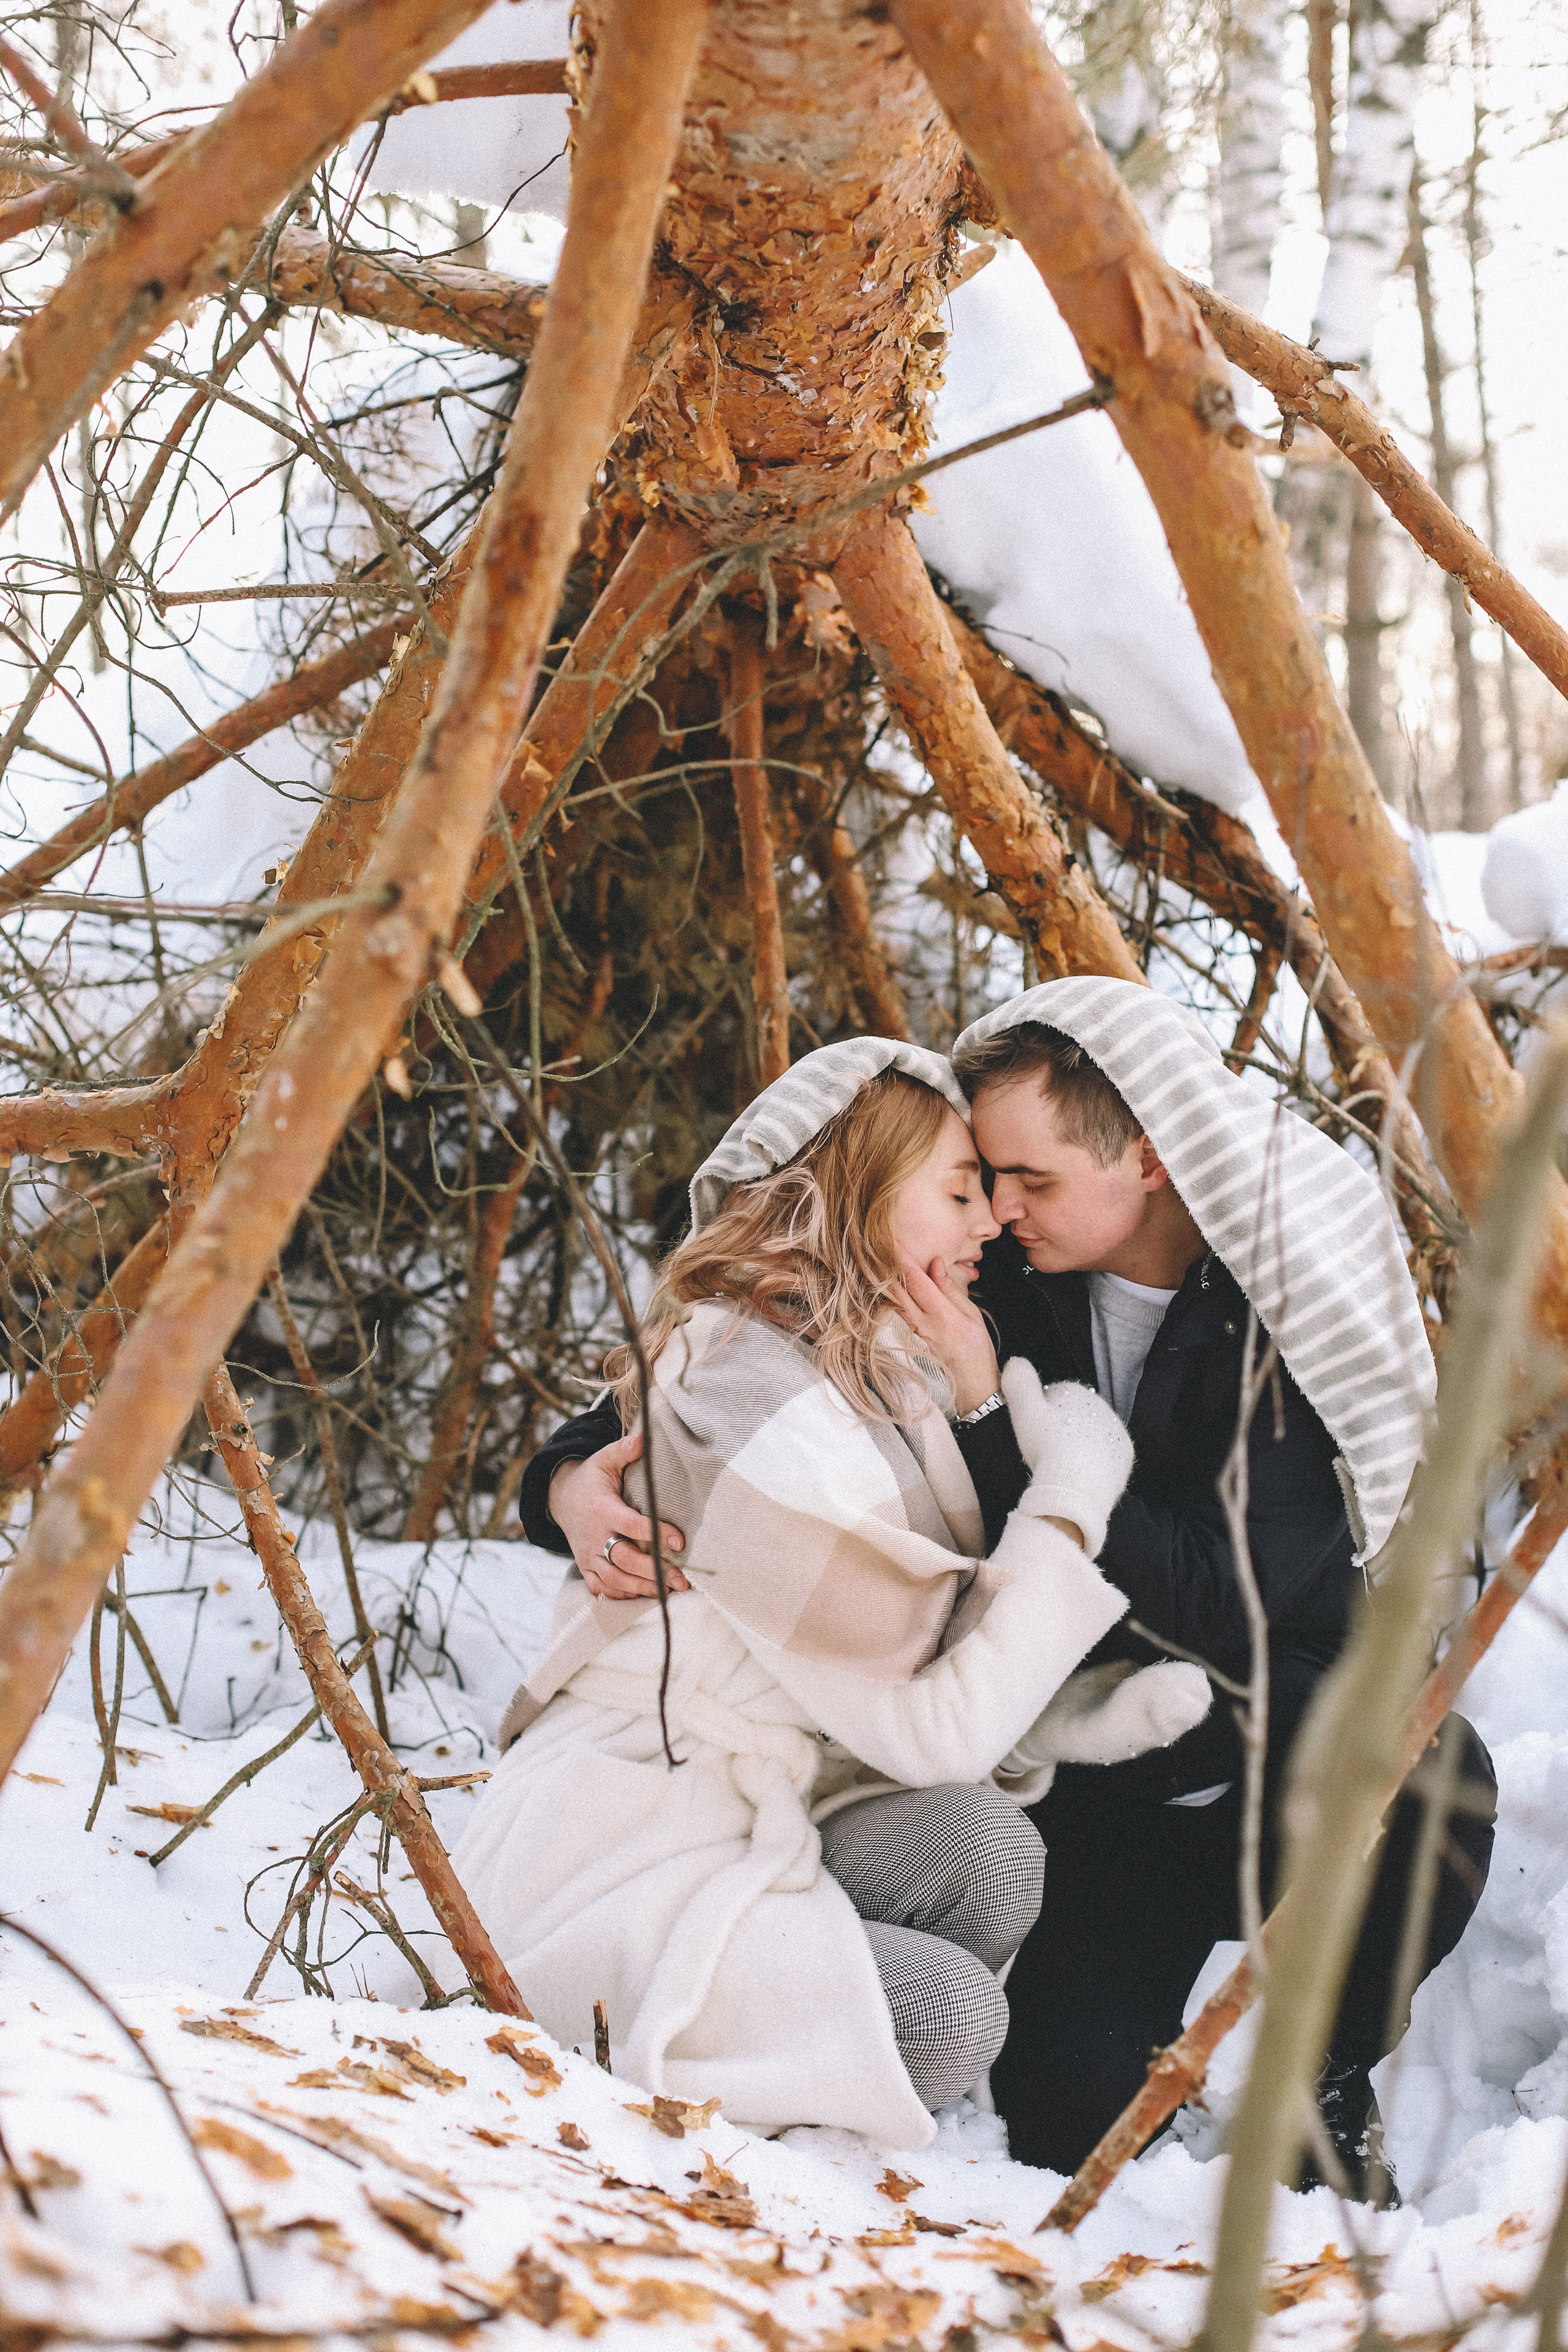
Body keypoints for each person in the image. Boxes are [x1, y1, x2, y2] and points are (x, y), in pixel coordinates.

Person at [524, 982, 1496, 2188]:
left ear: (1145, 1157)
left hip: (1242, 1734)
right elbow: (711, 1386)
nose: (997, 1206)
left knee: (1437, 1778)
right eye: (981, 1176)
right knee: (1064, 2125)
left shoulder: (1278, 1318)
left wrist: (999, 1428)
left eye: (1029, 1179)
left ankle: (1323, 2079)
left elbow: (1225, 1601)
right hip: (1050, 1775)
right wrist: (568, 1481)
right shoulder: (993, 1272)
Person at [457, 1038, 1212, 2149]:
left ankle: (798, 2006)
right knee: (952, 2024)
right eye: (960, 1193)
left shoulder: (886, 1357)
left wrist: (1090, 1718)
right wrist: (1071, 1497)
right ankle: (728, 2087)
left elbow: (915, 1638)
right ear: (861, 1192)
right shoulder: (754, 1396)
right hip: (638, 1826)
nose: (993, 1223)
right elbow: (935, 1721)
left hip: (794, 1781)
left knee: (991, 1857)